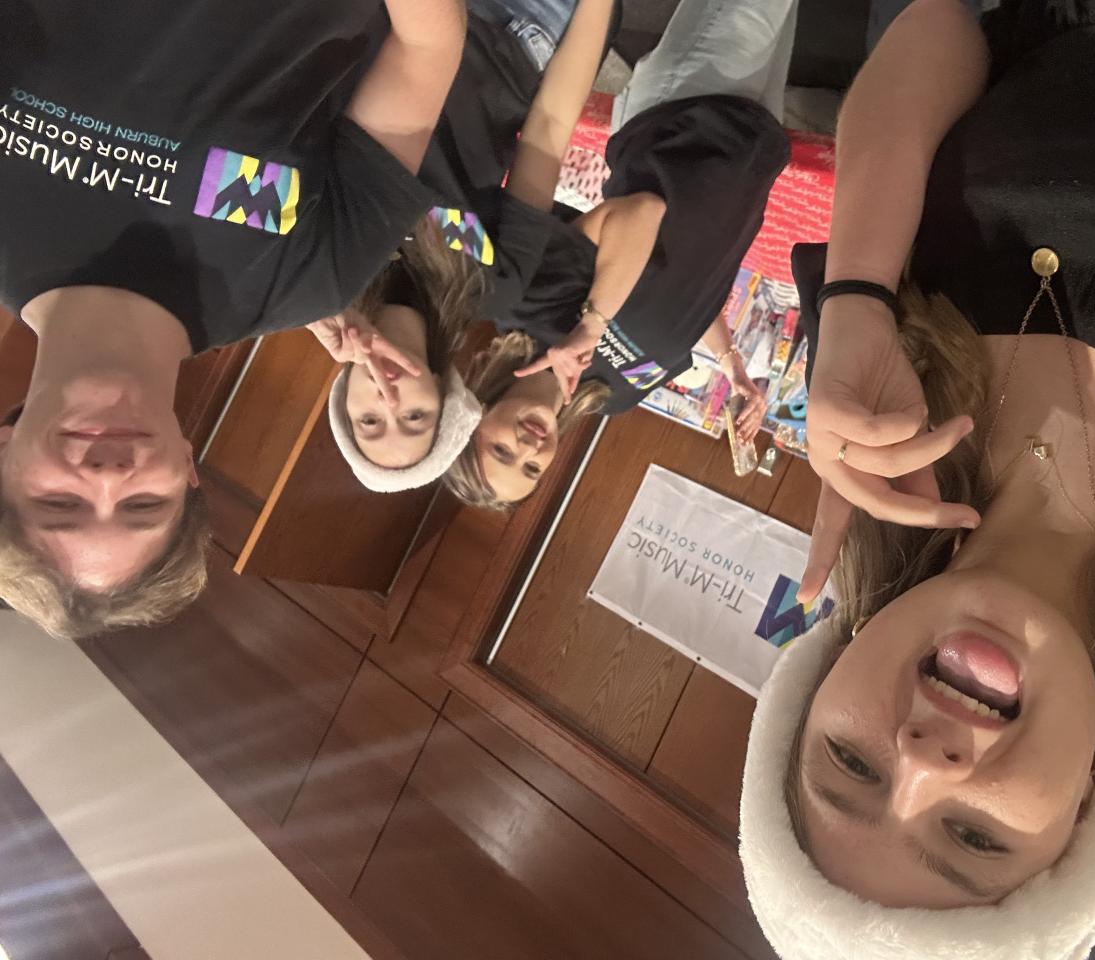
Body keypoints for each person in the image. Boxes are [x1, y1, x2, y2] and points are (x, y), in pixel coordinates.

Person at [737, 0, 1095, 957]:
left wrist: (858, 296)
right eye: (974, 839)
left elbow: (945, 30)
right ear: (1084, 806)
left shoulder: (888, 416)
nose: (920, 761)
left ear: (820, 680)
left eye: (850, 764)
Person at [0, 0, 466, 638]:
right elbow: (422, 54)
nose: (107, 480)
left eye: (60, 504)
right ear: (189, 473)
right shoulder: (310, 282)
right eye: (143, 506)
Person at [445, 0, 798, 508]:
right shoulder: (612, 399)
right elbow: (681, 297)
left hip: (689, 118)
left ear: (475, 416)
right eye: (531, 469)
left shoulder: (523, 307)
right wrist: (730, 362)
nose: (527, 448)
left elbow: (641, 214)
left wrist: (591, 324)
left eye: (500, 451)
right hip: (746, 155)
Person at [314, 0, 619, 493]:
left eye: (370, 421)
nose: (389, 400)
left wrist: (307, 302)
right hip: (520, 26)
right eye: (414, 417)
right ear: (442, 392)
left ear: (345, 397)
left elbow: (215, 176)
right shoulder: (491, 287)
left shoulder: (313, 260)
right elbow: (547, 130)